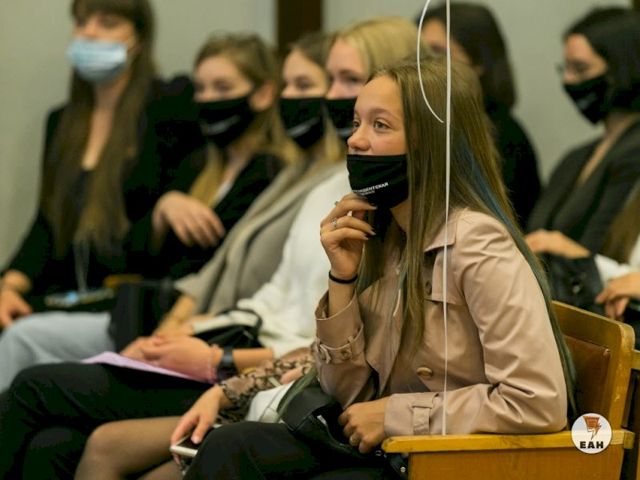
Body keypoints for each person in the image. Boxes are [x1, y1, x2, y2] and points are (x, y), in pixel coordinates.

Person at [0, 17, 419, 479]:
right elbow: (265, 292)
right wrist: (187, 331)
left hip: (268, 370)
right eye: (331, 83)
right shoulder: (319, 182)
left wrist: (219, 360)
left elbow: (350, 350)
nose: (331, 98)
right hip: (240, 349)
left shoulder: (383, 201)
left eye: (346, 81)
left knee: (38, 388)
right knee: (52, 445)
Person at [184, 57, 577, 479]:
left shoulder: (477, 243)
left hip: (447, 462)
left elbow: (537, 401)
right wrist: (342, 279)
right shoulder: (388, 236)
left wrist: (396, 415)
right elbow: (348, 394)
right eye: (356, 123)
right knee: (230, 445)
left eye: (380, 125)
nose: (356, 140)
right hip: (389, 451)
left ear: (431, 144)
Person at [0, 31, 296, 391]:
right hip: (146, 311)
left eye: (222, 88)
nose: (208, 100)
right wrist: (162, 210)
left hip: (198, 324)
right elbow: (134, 252)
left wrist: (176, 322)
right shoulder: (198, 167)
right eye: (201, 89)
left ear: (263, 94)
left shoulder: (270, 172)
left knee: (24, 338)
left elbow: (225, 268)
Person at [0, 0, 188, 327]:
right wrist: (10, 286)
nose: (89, 33)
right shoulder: (61, 122)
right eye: (81, 22)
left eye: (108, 23)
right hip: (61, 294)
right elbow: (47, 224)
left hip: (130, 301)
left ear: (138, 39)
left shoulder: (168, 108)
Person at [527, 7, 640, 254]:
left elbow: (602, 245)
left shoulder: (633, 150)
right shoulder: (576, 157)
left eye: (581, 69)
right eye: (566, 69)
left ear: (621, 68)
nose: (568, 80)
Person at [420, 1, 540, 226]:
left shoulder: (504, 137)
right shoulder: (433, 123)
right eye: (420, 54)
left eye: (437, 53)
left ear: (479, 62)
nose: (421, 66)